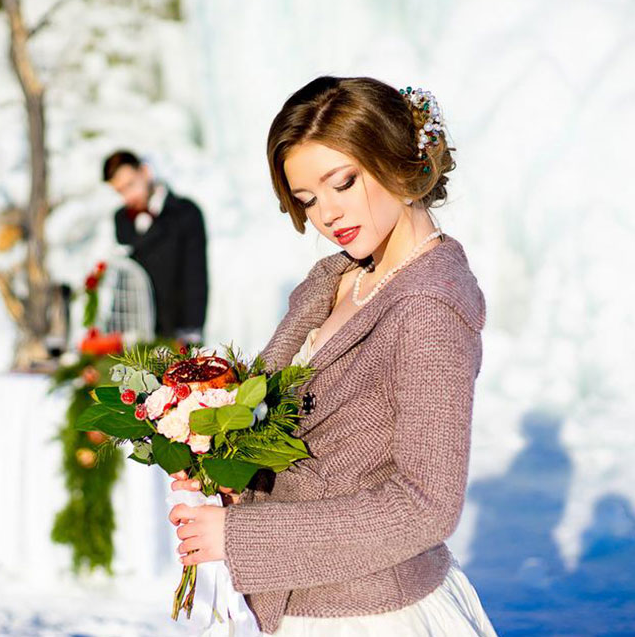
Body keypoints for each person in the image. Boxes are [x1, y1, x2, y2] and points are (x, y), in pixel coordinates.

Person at [167, 76, 497, 636]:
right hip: (299, 605)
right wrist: (226, 470)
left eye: (343, 182)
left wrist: (237, 537)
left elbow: (425, 506)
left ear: (396, 157)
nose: (328, 215)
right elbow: (301, 439)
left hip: (372, 614)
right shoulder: (338, 279)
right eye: (307, 199)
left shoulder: (429, 308)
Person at [105, 150, 208, 344]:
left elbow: (195, 277)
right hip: (137, 333)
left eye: (130, 185)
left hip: (176, 330)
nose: (128, 197)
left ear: (145, 172)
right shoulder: (121, 219)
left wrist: (191, 331)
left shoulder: (186, 212)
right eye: (120, 191)